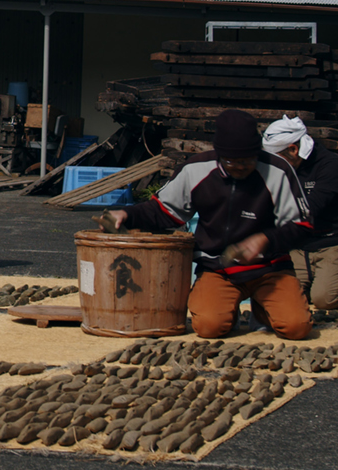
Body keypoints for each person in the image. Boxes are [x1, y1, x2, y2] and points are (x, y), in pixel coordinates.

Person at [104, 108, 315, 340]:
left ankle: (264, 310)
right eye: (233, 162)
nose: (242, 167)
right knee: (209, 327)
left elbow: (302, 225)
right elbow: (165, 211)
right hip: (218, 268)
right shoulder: (195, 169)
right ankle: (228, 309)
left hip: (270, 269)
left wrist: (265, 240)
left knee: (296, 328)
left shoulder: (278, 170)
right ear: (219, 155)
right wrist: (127, 214)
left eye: (248, 160)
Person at [261, 116, 338, 310]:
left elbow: (311, 208)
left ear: (293, 149)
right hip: (299, 246)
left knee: (324, 299)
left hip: (336, 243)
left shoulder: (331, 166)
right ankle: (317, 280)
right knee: (287, 297)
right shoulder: (279, 170)